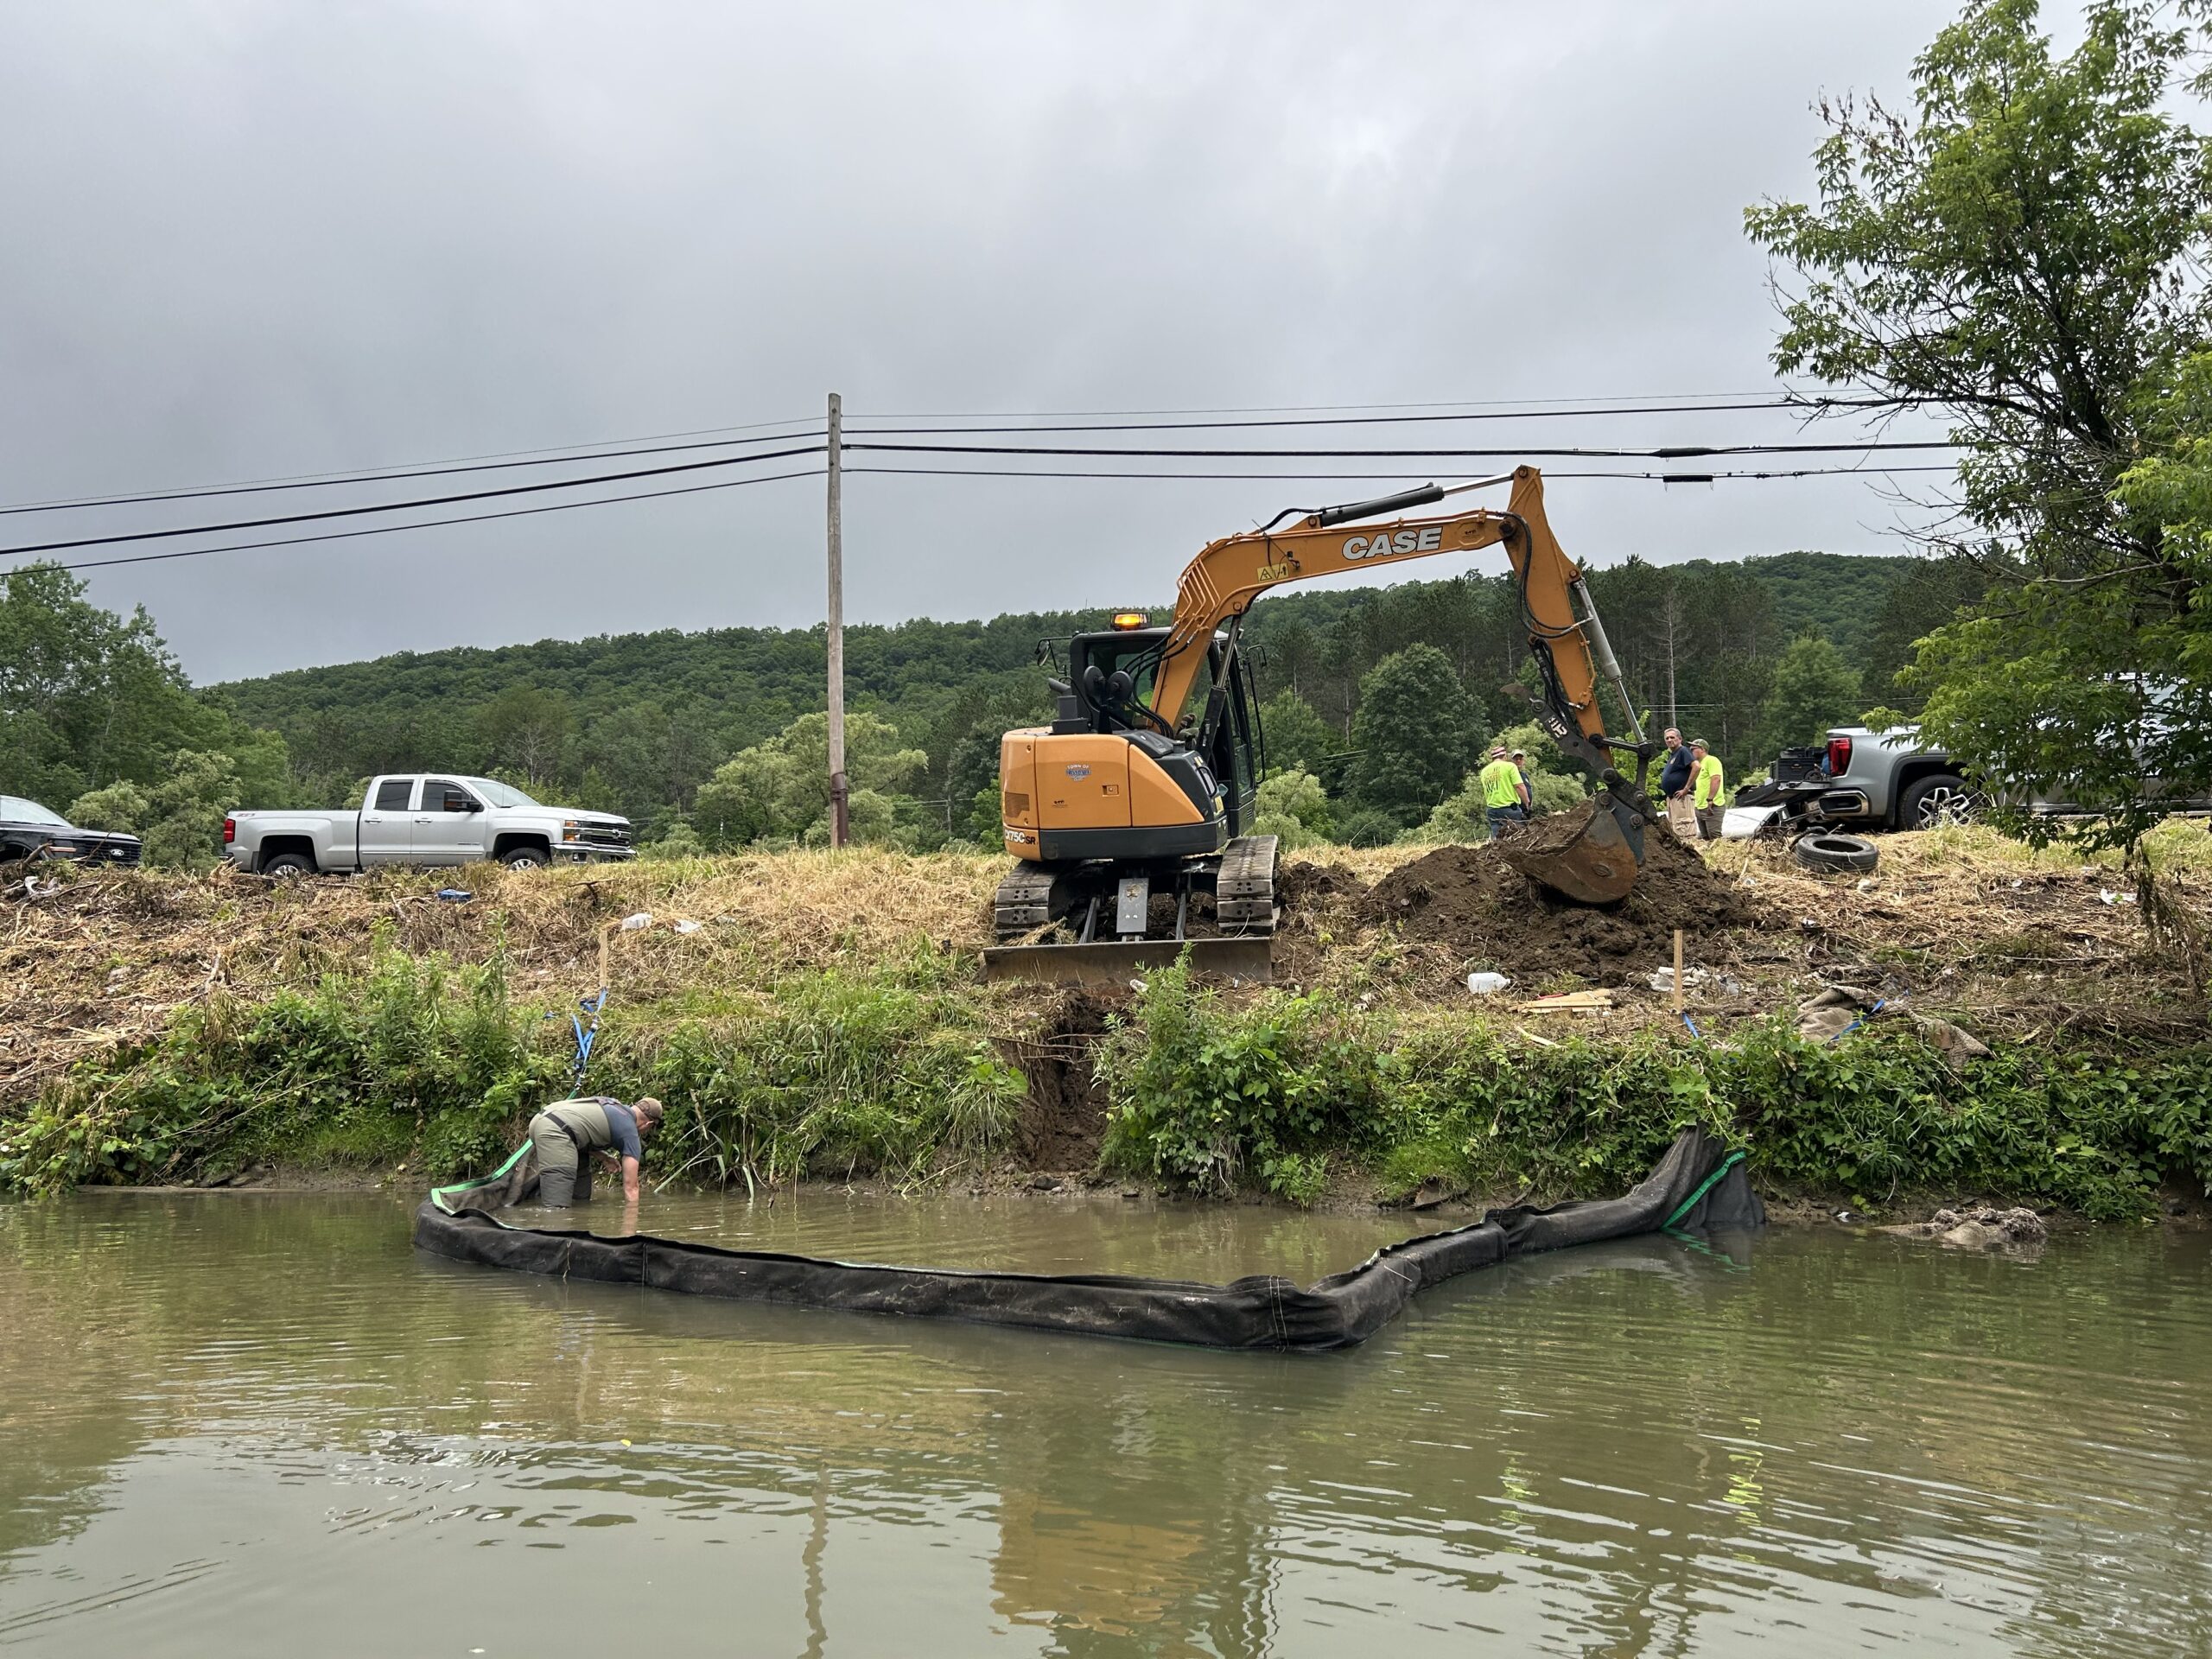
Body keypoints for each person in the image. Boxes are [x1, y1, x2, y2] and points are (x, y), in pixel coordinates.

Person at [529, 1094, 664, 1207]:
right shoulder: (630, 1132)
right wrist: (632, 1219)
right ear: (649, 1124)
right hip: (555, 1131)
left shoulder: (612, 1105)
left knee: (580, 1194)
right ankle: (552, 1228)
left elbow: (580, 1130)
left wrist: (604, 1158)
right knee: (557, 1207)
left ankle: (576, 1224)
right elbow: (631, 1187)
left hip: (541, 1120)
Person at [1478, 745, 1527, 838]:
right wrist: (1527, 803)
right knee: (1519, 837)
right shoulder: (1510, 766)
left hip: (1492, 810)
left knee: (1498, 840)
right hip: (1509, 809)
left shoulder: (1484, 771)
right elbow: (1519, 786)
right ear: (1505, 756)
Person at [1657, 728, 1697, 837]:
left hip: (1682, 799)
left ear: (1680, 739)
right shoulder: (1673, 755)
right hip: (1673, 799)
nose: (1670, 740)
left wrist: (1686, 788)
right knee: (1676, 833)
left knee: (1685, 831)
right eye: (1667, 738)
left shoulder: (1683, 751)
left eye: (1672, 737)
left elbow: (1696, 766)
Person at [1691, 739, 1726, 840]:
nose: (1691, 751)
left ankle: (1720, 855)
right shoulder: (1697, 765)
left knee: (1715, 838)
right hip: (1700, 806)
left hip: (1712, 806)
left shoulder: (1711, 760)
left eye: (1694, 748)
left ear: (1702, 749)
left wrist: (1710, 799)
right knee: (1705, 838)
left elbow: (1716, 779)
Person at [1510, 748, 1535, 812]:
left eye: (1520, 759)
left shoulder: (1524, 775)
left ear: (1523, 761)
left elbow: (1529, 790)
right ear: (1512, 761)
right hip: (1516, 809)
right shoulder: (1509, 775)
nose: (1518, 761)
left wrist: (1530, 805)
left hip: (1526, 809)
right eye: (1516, 759)